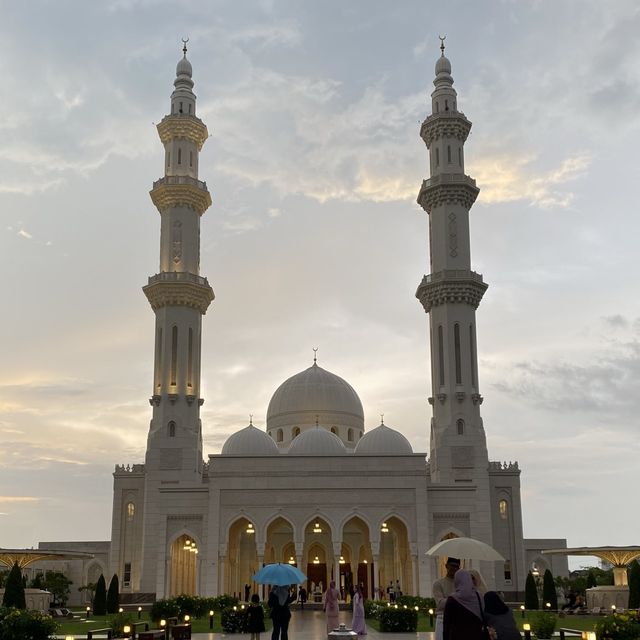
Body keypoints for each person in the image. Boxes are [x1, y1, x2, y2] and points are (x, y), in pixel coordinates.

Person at [442, 569, 485, 640]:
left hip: (457, 636)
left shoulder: (452, 599)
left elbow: (447, 625)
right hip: (476, 635)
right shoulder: (479, 596)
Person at [432, 557, 460, 640]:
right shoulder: (438, 583)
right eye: (452, 566)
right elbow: (440, 604)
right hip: (442, 618)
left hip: (458, 619)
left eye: (456, 567)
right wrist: (457, 597)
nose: (454, 568)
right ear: (446, 566)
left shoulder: (461, 584)